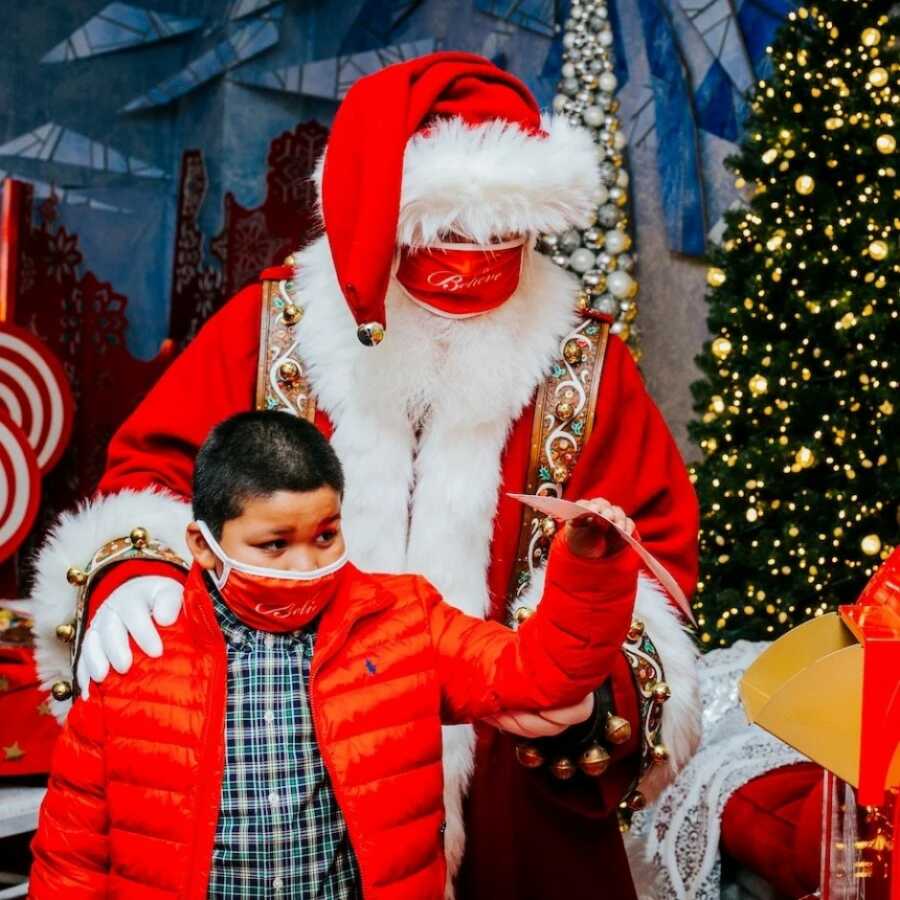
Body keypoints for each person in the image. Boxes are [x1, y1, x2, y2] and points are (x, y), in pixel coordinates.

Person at [30, 52, 700, 899]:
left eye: (499, 236)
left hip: (512, 800)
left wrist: (588, 689)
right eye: (441, 236)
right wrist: (133, 566)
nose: (471, 262)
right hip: (282, 789)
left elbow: (649, 559)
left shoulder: (585, 366)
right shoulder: (276, 328)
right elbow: (151, 476)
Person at [31, 411, 640, 899]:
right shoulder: (138, 649)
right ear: (205, 545)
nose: (307, 565)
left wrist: (589, 569)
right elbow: (72, 855)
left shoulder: (404, 620)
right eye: (274, 545)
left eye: (326, 536)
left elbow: (541, 679)